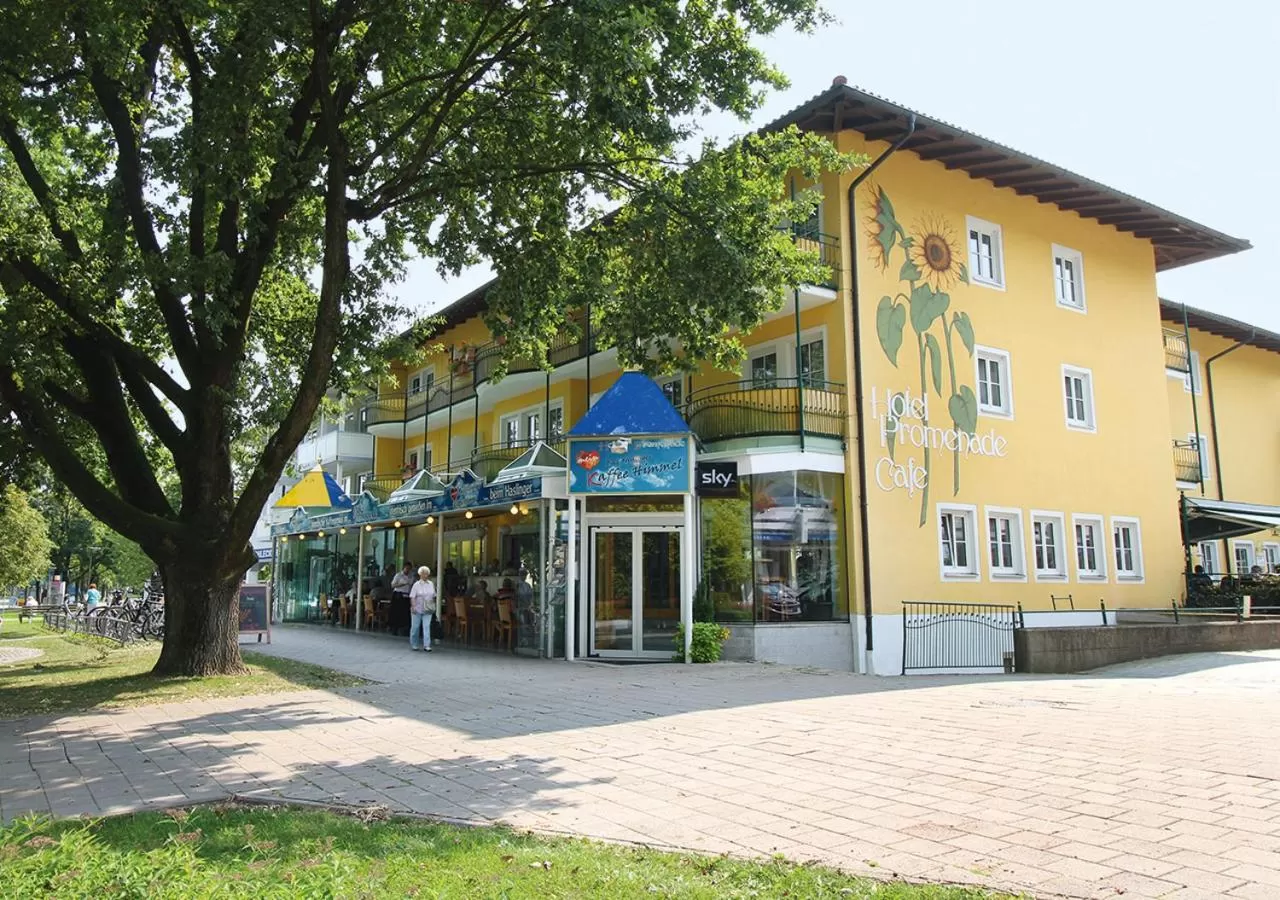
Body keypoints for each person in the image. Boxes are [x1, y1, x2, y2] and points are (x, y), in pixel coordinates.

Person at [408, 565, 437, 652]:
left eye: (427, 574)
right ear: (420, 574)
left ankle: (427, 645)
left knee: (426, 626)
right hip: (417, 608)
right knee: (415, 627)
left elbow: (434, 595)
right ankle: (414, 644)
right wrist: (413, 607)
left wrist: (433, 605)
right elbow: (412, 597)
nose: (425, 575)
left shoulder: (431, 584)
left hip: (428, 609)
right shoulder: (416, 585)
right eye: (423, 574)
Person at [390, 562, 414, 635]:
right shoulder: (398, 575)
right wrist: (401, 584)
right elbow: (393, 585)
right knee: (397, 613)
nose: (408, 570)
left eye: (409, 569)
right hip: (398, 595)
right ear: (404, 568)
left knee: (405, 614)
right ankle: (395, 629)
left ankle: (404, 629)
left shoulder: (411, 576)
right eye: (407, 568)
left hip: (406, 596)